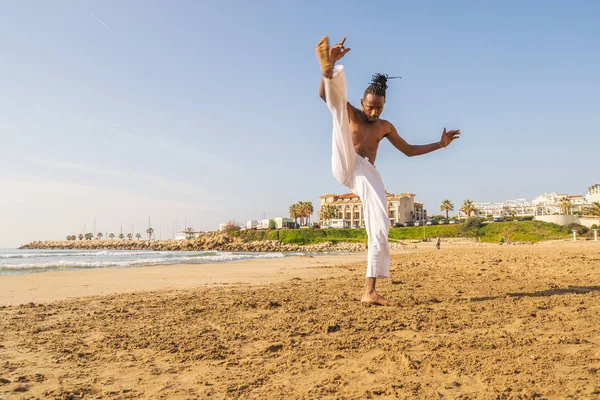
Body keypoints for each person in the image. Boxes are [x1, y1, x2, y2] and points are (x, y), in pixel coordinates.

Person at [316, 36, 460, 305]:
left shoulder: (385, 126)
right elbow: (325, 96)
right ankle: (329, 68)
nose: (372, 111)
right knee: (336, 110)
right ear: (362, 101)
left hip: (364, 172)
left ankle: (369, 290)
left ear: (384, 106)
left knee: (381, 225)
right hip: (345, 159)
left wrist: (440, 145)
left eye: (378, 107)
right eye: (369, 106)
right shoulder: (352, 112)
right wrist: (330, 68)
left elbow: (408, 150)